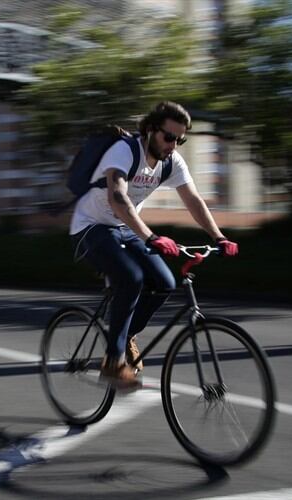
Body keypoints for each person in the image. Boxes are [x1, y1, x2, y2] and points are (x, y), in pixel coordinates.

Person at [70, 101, 239, 389]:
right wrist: (151, 237)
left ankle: (126, 336)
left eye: (180, 139)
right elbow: (118, 198)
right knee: (131, 278)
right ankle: (113, 362)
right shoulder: (124, 150)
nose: (174, 145)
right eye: (169, 137)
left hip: (124, 228)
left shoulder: (171, 162)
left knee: (164, 282)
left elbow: (193, 200)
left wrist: (219, 237)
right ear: (150, 130)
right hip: (90, 226)